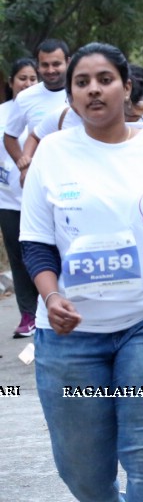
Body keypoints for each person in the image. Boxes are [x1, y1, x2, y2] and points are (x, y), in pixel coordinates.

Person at [20, 43, 143, 501]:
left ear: (127, 87)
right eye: (82, 82)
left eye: (105, 80)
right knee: (84, 473)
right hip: (73, 340)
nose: (94, 90)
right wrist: (51, 298)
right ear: (70, 94)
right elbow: (36, 243)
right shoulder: (52, 153)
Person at [0, 58, 39, 337]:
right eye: (22, 78)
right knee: (18, 258)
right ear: (11, 82)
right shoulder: (2, 113)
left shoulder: (44, 110)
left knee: (44, 254)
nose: (27, 84)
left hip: (41, 199)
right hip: (8, 199)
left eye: (31, 79)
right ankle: (28, 315)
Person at [3, 38, 69, 180]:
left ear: (68, 62)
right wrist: (24, 166)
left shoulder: (81, 93)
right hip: (40, 178)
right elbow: (9, 136)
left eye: (56, 64)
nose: (51, 70)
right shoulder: (25, 97)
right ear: (38, 66)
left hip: (78, 175)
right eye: (45, 65)